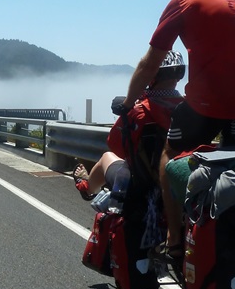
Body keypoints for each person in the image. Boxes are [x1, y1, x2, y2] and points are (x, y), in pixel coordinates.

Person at [116, 0, 235, 266]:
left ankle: (175, 240)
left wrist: (128, 101)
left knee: (170, 153)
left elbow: (150, 63)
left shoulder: (183, 0)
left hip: (211, 103)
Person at [73, 50, 186, 203]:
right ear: (179, 76)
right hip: (180, 181)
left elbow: (115, 145)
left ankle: (87, 188)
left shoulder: (138, 112)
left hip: (141, 183)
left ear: (151, 76)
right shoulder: (189, 109)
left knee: (107, 157)